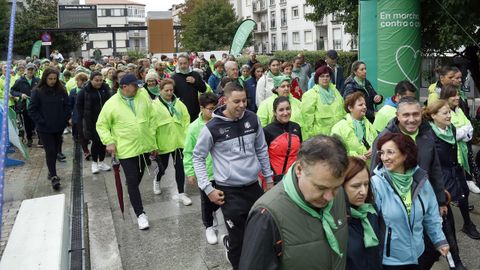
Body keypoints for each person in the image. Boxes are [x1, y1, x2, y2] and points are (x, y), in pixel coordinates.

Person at [193, 82, 274, 269]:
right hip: (229, 191)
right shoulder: (212, 127)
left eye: (244, 100)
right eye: (236, 101)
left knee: (259, 234)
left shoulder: (253, 119)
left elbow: (261, 149)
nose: (242, 105)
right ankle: (234, 254)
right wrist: (208, 189)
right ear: (225, 101)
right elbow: (197, 157)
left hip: (254, 187)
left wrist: (268, 179)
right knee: (238, 240)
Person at [239, 135, 349, 270]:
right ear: (299, 170)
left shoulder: (338, 193)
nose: (329, 197)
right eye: (321, 188)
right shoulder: (267, 215)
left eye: (336, 187)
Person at [372, 132, 449, 269]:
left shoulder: (420, 180)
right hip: (390, 260)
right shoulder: (376, 184)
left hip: (418, 254)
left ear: (405, 154)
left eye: (390, 152)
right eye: (382, 153)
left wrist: (439, 240)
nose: (384, 157)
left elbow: (431, 214)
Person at [96, 74, 158, 230]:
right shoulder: (111, 104)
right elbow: (101, 125)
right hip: (126, 149)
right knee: (132, 179)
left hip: (144, 147)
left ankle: (131, 189)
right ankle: (140, 214)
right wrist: (109, 141)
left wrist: (152, 141)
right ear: (124, 87)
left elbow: (152, 118)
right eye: (134, 86)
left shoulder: (142, 97)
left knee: (137, 178)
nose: (137, 88)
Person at [424, 100, 478, 270]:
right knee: (446, 224)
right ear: (433, 116)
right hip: (438, 182)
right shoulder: (427, 135)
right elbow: (428, 166)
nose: (449, 116)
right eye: (445, 113)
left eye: (449, 112)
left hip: (455, 175)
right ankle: (455, 262)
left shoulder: (451, 129)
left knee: (458, 206)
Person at [183, 92, 219, 244]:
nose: (213, 112)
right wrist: (190, 172)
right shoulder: (194, 128)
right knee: (206, 201)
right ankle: (209, 226)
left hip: (222, 171)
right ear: (202, 108)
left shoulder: (220, 122)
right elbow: (189, 151)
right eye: (210, 109)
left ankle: (217, 215)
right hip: (205, 172)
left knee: (222, 198)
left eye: (215, 108)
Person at [28, 67, 71, 190]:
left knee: (56, 150)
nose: (52, 81)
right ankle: (54, 176)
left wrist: (64, 119)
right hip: (44, 128)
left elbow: (67, 105)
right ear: (45, 78)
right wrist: (41, 121)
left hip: (58, 126)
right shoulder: (38, 91)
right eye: (50, 78)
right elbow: (32, 109)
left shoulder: (61, 90)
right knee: (50, 151)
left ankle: (50, 170)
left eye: (54, 78)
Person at [152, 78, 192, 205]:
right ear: (160, 90)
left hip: (179, 142)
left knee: (180, 167)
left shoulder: (179, 104)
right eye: (166, 90)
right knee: (162, 168)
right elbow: (151, 126)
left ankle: (181, 193)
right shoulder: (154, 106)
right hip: (162, 143)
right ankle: (157, 180)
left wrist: (186, 138)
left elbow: (186, 121)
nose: (169, 93)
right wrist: (153, 144)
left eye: (171, 90)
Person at [440, 85, 480, 196]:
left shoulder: (458, 110)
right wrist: (464, 131)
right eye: (453, 95)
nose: (457, 97)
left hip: (463, 148)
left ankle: (466, 186)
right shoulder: (443, 112)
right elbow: (452, 134)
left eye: (457, 95)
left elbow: (470, 128)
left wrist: (463, 132)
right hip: (453, 153)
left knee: (462, 176)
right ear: (446, 97)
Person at [343, 157, 383, 270]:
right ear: (340, 186)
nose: (363, 192)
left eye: (366, 184)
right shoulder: (335, 221)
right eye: (356, 186)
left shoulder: (370, 211)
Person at [77, 71, 112, 174]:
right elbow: (79, 106)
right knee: (96, 142)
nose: (99, 82)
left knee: (103, 142)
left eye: (101, 80)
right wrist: (84, 118)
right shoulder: (84, 91)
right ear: (91, 80)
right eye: (96, 80)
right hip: (91, 121)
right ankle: (94, 163)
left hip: (105, 121)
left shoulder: (105, 89)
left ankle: (101, 162)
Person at [263, 96, 302, 186]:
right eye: (281, 110)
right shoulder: (267, 131)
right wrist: (268, 180)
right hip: (275, 179)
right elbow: (263, 157)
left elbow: (300, 152)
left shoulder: (296, 127)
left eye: (288, 109)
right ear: (274, 112)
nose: (285, 113)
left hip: (295, 177)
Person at [301, 66, 345, 140]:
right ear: (317, 78)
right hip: (320, 137)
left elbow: (343, 111)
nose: (325, 78)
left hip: (338, 134)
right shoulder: (310, 94)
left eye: (327, 76)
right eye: (322, 76)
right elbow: (307, 120)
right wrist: (311, 138)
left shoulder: (335, 91)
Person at [331, 92, 377, 162]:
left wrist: (374, 148)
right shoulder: (338, 128)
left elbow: (378, 140)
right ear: (350, 108)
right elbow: (335, 153)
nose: (364, 107)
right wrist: (355, 157)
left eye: (365, 104)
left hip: (370, 168)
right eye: (360, 105)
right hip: (352, 169)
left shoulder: (368, 123)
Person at [11, 62, 40, 147]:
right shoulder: (20, 81)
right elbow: (12, 91)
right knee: (27, 123)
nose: (30, 71)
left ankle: (40, 140)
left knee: (37, 122)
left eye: (32, 69)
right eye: (29, 69)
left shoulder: (38, 80)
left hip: (36, 106)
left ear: (34, 70)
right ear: (25, 70)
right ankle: (29, 139)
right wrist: (21, 95)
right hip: (25, 106)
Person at [171, 55, 206, 122]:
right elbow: (171, 95)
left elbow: (203, 89)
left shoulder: (195, 74)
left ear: (189, 63)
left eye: (185, 63)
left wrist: (195, 82)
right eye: (180, 64)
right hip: (180, 111)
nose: (183, 66)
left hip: (195, 110)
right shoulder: (174, 77)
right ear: (178, 64)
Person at [68, 72, 90, 160]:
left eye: (84, 80)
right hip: (77, 116)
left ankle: (86, 148)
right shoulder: (73, 91)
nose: (81, 82)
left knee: (86, 133)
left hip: (87, 116)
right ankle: (85, 151)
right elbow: (70, 104)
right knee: (80, 133)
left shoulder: (88, 90)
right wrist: (70, 116)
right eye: (80, 80)